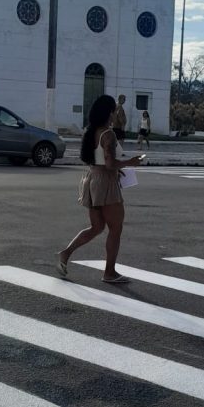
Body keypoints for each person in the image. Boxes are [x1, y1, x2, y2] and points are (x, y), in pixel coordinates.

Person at [57, 94, 144, 283]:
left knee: (96, 227)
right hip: (105, 182)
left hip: (92, 178)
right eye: (114, 111)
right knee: (116, 228)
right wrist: (131, 162)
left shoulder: (91, 131)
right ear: (109, 112)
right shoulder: (108, 134)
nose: (115, 115)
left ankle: (66, 253)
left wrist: (117, 169)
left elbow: (99, 161)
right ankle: (109, 272)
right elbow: (110, 163)